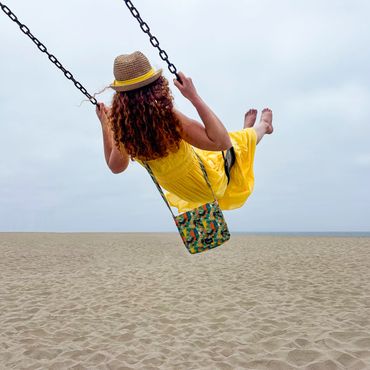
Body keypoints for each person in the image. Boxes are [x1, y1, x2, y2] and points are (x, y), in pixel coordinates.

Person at [96, 51, 273, 213]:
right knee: (235, 143)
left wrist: (106, 125)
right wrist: (193, 97)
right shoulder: (168, 119)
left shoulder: (125, 132)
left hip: (186, 194)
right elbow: (222, 142)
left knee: (218, 151)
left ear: (121, 97)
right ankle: (264, 126)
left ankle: (247, 131)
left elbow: (116, 167)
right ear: (156, 86)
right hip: (209, 184)